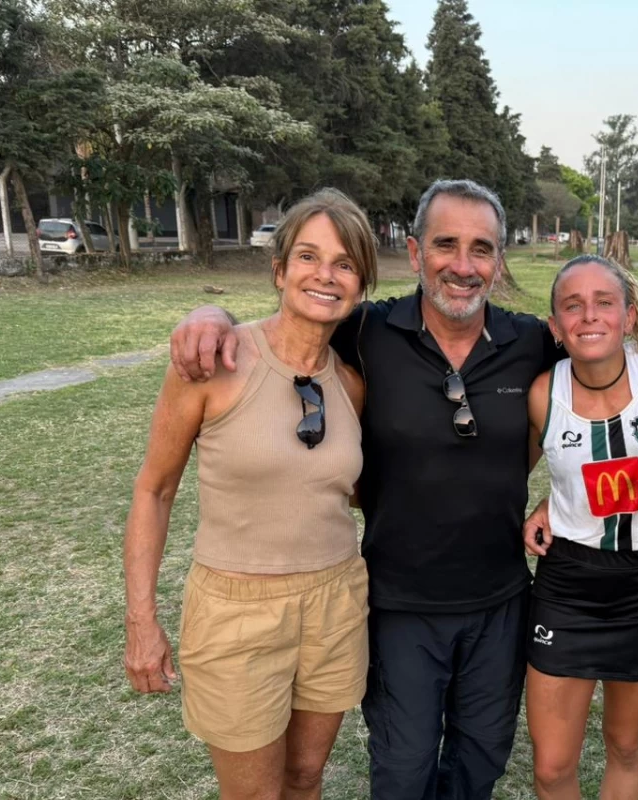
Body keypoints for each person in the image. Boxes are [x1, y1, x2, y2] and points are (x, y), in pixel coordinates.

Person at [167, 179, 638, 800]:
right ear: (415, 254)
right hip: (399, 601)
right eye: (446, 244)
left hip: (504, 600)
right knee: (405, 770)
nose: (463, 264)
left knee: (479, 764)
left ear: (499, 262)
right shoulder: (370, 332)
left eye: (481, 248)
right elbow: (298, 319)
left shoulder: (533, 342)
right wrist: (212, 319)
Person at [124, 189, 377, 800]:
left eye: (344, 263)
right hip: (236, 610)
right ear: (279, 269)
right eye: (309, 257)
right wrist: (141, 619)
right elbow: (154, 491)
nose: (325, 275)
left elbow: (352, 493)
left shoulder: (351, 382)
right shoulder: (215, 363)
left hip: (335, 602)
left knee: (306, 777)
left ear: (362, 282)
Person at [521, 255, 638, 800]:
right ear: (555, 327)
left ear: (627, 315)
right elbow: (532, 469)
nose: (589, 316)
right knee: (553, 767)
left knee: (626, 746)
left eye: (604, 301)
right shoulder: (541, 395)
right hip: (567, 584)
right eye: (572, 306)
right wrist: (543, 503)